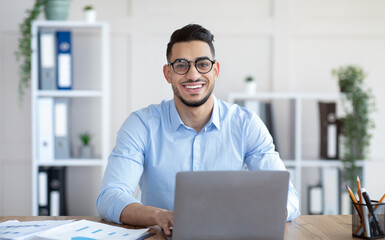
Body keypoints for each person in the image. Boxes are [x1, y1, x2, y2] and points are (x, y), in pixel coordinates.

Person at [96, 24, 300, 236]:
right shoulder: (141, 125)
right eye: (181, 65)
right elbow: (110, 197)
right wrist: (161, 216)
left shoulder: (246, 124)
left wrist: (256, 215)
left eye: (202, 64)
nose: (193, 75)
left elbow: (289, 198)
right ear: (168, 73)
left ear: (216, 70)